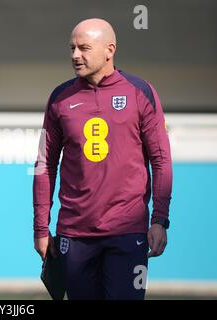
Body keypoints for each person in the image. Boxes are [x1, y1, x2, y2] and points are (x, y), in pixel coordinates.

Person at [33, 18, 172, 300]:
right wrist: (40, 226)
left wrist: (160, 219)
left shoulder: (140, 92)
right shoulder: (60, 98)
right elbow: (44, 164)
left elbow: (160, 160)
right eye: (71, 48)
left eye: (84, 48)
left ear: (109, 50)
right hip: (74, 234)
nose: (75, 55)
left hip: (127, 233)